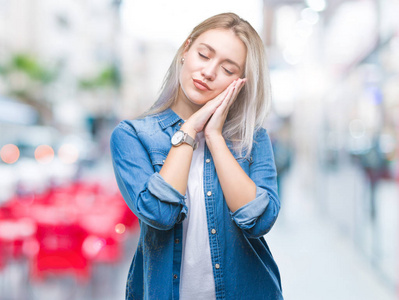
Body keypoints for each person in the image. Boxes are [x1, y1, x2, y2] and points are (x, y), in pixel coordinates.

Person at [110, 12, 283, 300]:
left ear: (239, 83)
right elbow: (160, 214)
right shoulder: (132, 136)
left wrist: (214, 137)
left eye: (228, 70)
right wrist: (189, 129)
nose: (209, 72)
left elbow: (259, 223)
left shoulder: (253, 140)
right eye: (204, 55)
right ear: (185, 50)